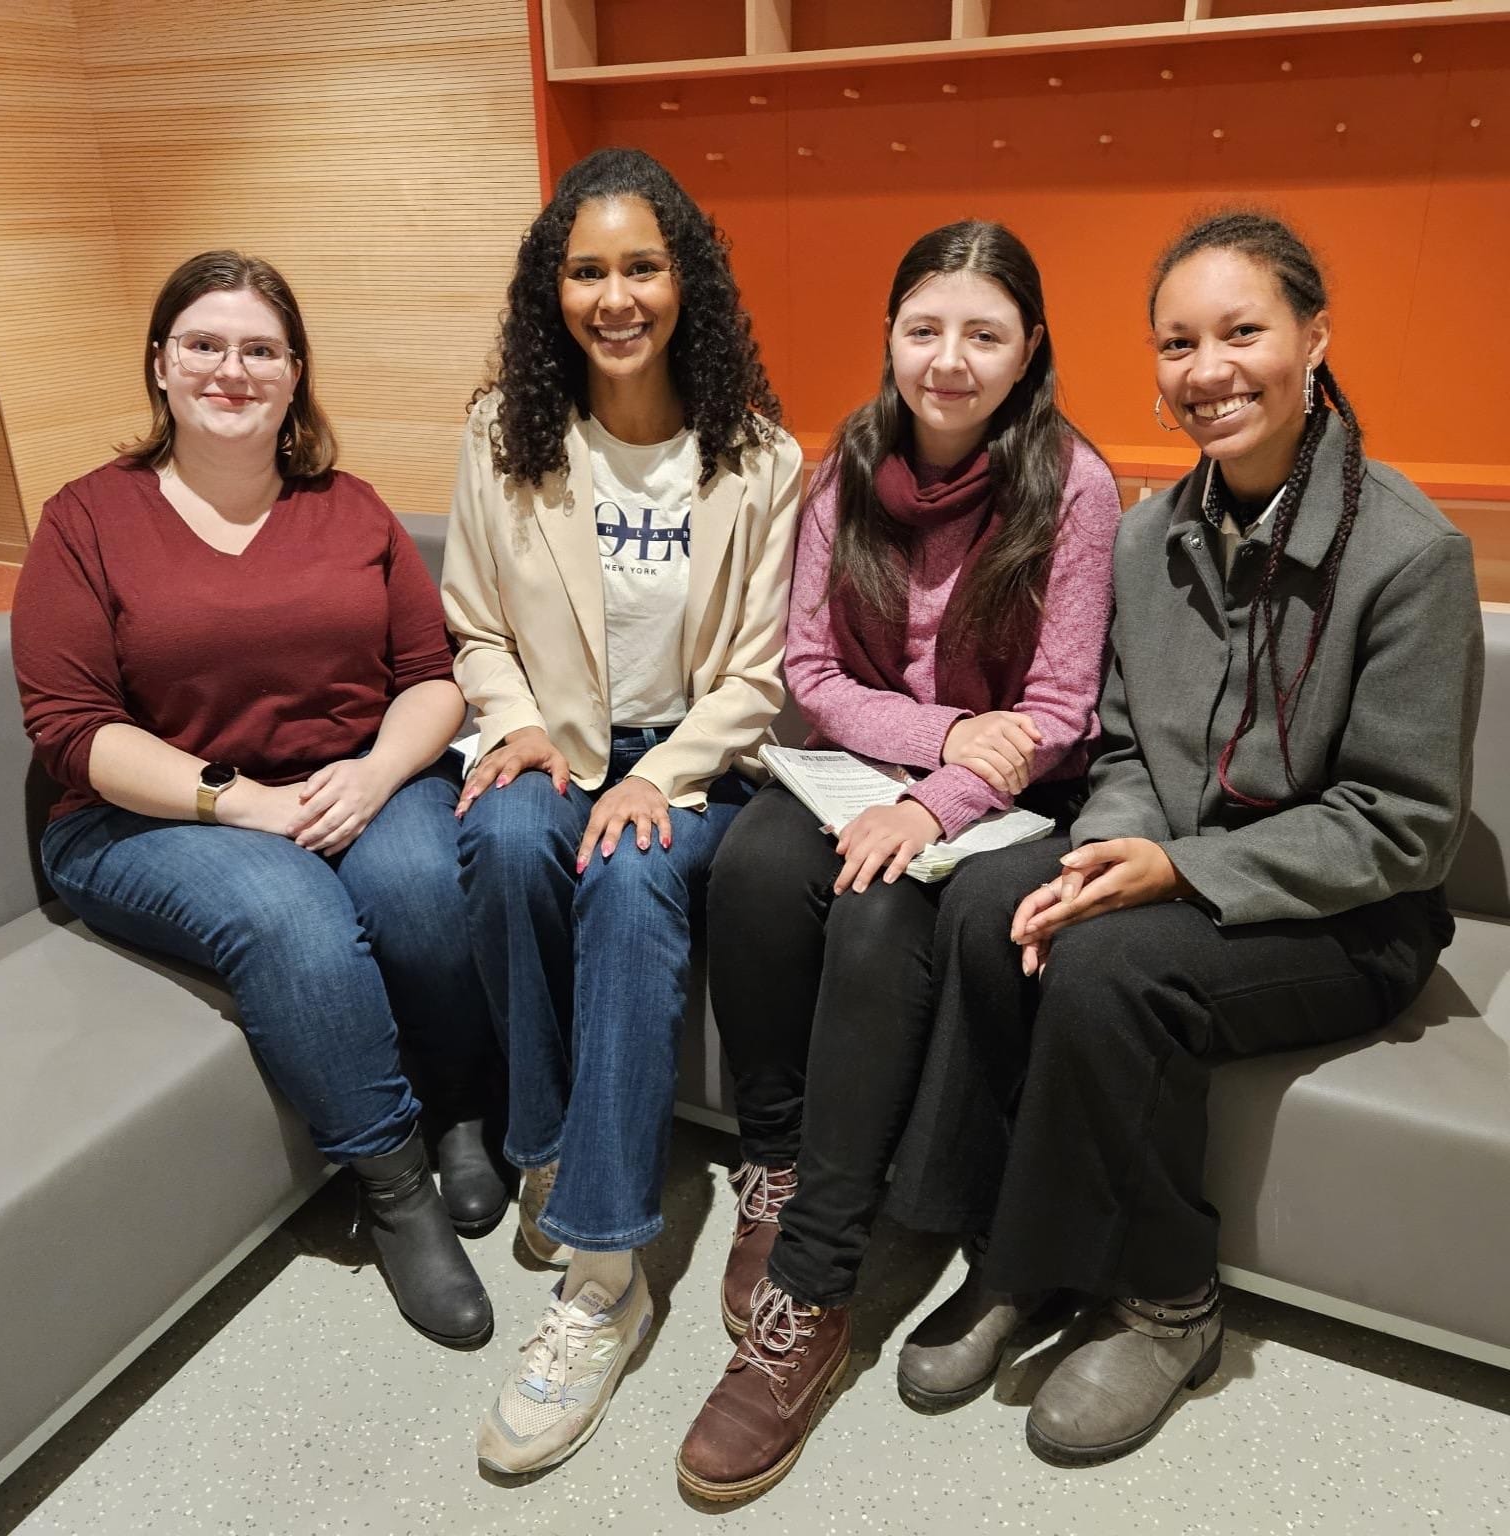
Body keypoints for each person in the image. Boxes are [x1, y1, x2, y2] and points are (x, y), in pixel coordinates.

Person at [882, 210, 1483, 1466]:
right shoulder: (1154, 538)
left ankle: (1169, 1301)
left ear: (1316, 338)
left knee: (1111, 967)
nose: (1207, 369)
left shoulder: (1412, 556)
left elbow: (1405, 827)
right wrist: (1102, 855)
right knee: (1001, 905)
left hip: (1349, 915)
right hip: (1175, 875)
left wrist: (1174, 873)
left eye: (1242, 331)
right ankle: (1016, 1257)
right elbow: (1122, 753)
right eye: (1176, 341)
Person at [676, 220, 1123, 1501]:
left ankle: (813, 1296)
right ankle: (774, 1158)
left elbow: (1057, 712)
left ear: (1029, 347)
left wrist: (936, 802)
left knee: (876, 919)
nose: (948, 358)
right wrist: (930, 741)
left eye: (984, 333)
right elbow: (809, 673)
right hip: (863, 764)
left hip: (1005, 797)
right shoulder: (846, 469)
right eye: (925, 328)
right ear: (891, 336)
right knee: (754, 869)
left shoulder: (1074, 487)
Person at [10, 250, 500, 1352]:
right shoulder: (87, 520)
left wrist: (375, 773)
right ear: (162, 366)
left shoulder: (351, 509)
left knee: (425, 882)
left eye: (260, 350)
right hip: (150, 815)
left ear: (294, 376)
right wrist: (237, 802)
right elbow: (73, 731)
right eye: (205, 344)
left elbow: (431, 675)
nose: (232, 369)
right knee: (291, 913)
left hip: (349, 776)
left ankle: (468, 1109)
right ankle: (396, 1186)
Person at [444, 148, 802, 1474]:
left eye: (639, 265)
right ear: (555, 290)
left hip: (690, 759)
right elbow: (475, 625)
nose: (613, 295)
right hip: (551, 740)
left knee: (638, 876)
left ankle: (603, 1272)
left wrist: (661, 776)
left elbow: (759, 674)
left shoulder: (761, 458)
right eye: (585, 270)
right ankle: (542, 1146)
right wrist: (516, 724)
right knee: (499, 833)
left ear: (685, 277)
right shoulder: (502, 437)